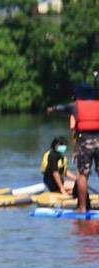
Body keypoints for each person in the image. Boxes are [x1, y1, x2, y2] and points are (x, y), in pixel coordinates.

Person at [48, 81, 99, 213]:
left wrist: (52, 109)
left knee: (82, 175)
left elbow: (62, 108)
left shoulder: (75, 106)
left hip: (84, 142)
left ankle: (82, 208)